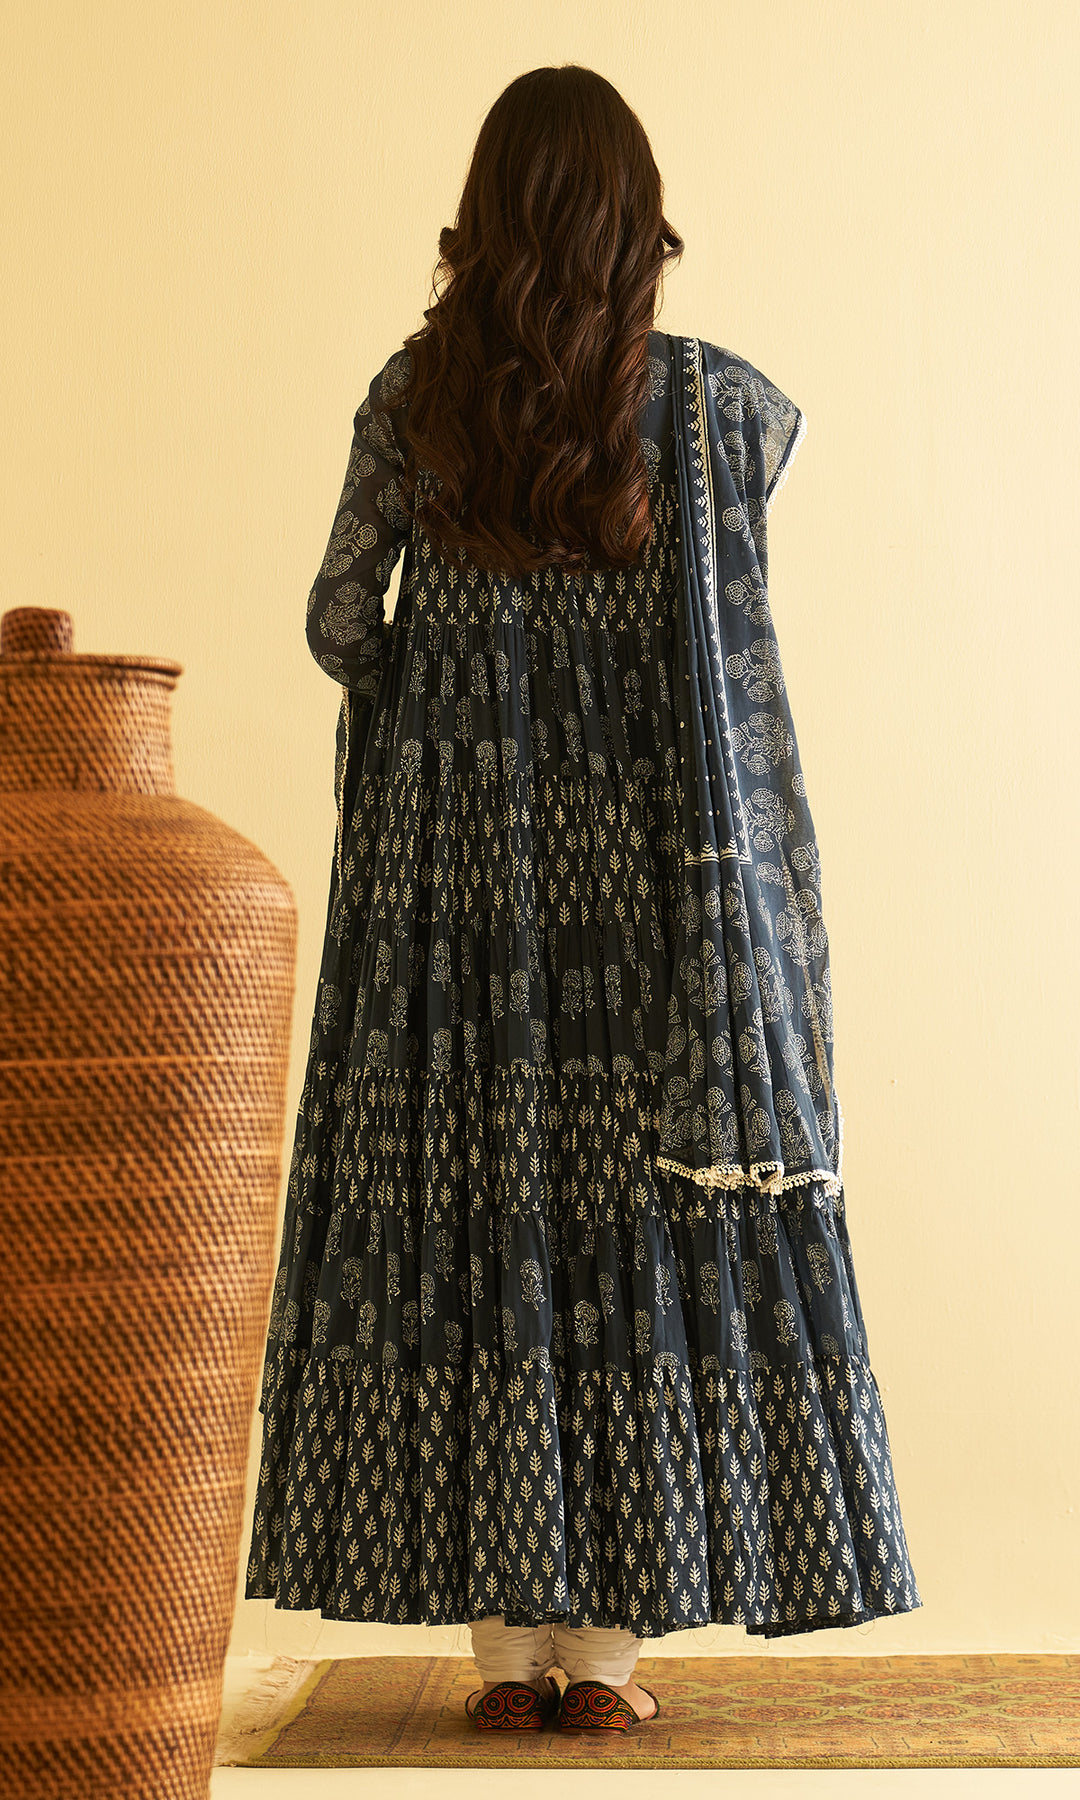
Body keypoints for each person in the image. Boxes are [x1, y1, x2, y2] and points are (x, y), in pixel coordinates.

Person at [245, 63, 921, 1736]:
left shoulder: (418, 398)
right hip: (647, 892)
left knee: (475, 1216)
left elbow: (337, 620)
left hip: (451, 886)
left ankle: (499, 1663)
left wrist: (437, 703)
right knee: (625, 1227)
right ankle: (606, 1668)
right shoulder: (710, 408)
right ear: (636, 222)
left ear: (483, 217)